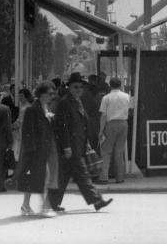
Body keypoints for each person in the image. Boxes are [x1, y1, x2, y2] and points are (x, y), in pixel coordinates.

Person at [52, 72, 112, 212]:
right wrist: (66, 146)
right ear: (69, 88)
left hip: (78, 145)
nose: (79, 89)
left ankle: (52, 202)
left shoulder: (77, 101)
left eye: (80, 87)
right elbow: (62, 127)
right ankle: (97, 200)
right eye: (75, 87)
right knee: (82, 174)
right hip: (71, 146)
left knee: (64, 176)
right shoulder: (65, 103)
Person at [17, 81, 58, 217]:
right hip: (35, 150)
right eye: (49, 93)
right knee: (44, 176)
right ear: (41, 94)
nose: (52, 96)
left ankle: (25, 205)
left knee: (36, 177)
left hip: (44, 149)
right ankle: (45, 207)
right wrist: (31, 152)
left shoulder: (45, 108)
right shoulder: (32, 109)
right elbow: (27, 132)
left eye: (53, 93)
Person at [98, 76, 130, 184]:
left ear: (110, 86)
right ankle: (120, 178)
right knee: (119, 151)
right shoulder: (126, 96)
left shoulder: (106, 98)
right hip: (124, 124)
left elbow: (103, 115)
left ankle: (104, 177)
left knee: (106, 151)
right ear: (120, 85)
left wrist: (101, 130)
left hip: (111, 124)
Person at [12, 87, 33, 164]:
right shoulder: (24, 105)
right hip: (21, 130)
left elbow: (20, 121)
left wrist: (12, 126)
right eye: (19, 96)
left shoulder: (27, 107)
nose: (20, 98)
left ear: (26, 97)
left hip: (24, 131)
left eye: (22, 96)